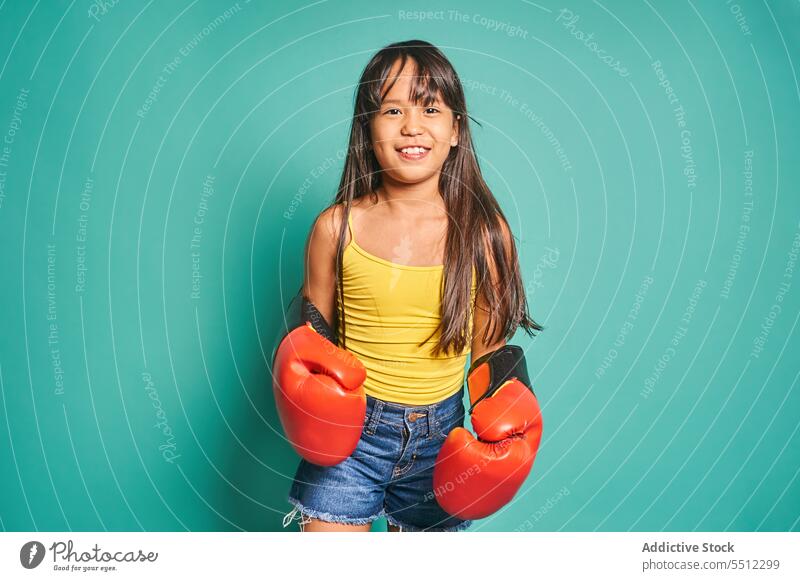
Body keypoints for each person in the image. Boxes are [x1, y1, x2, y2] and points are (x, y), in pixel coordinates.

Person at [275, 39, 544, 532]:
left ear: (456, 128)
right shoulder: (335, 229)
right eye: (392, 109)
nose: (412, 126)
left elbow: (490, 350)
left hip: (441, 443)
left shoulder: (485, 235)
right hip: (349, 439)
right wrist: (307, 402)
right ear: (367, 129)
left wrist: (508, 407)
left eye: (431, 108)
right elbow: (312, 344)